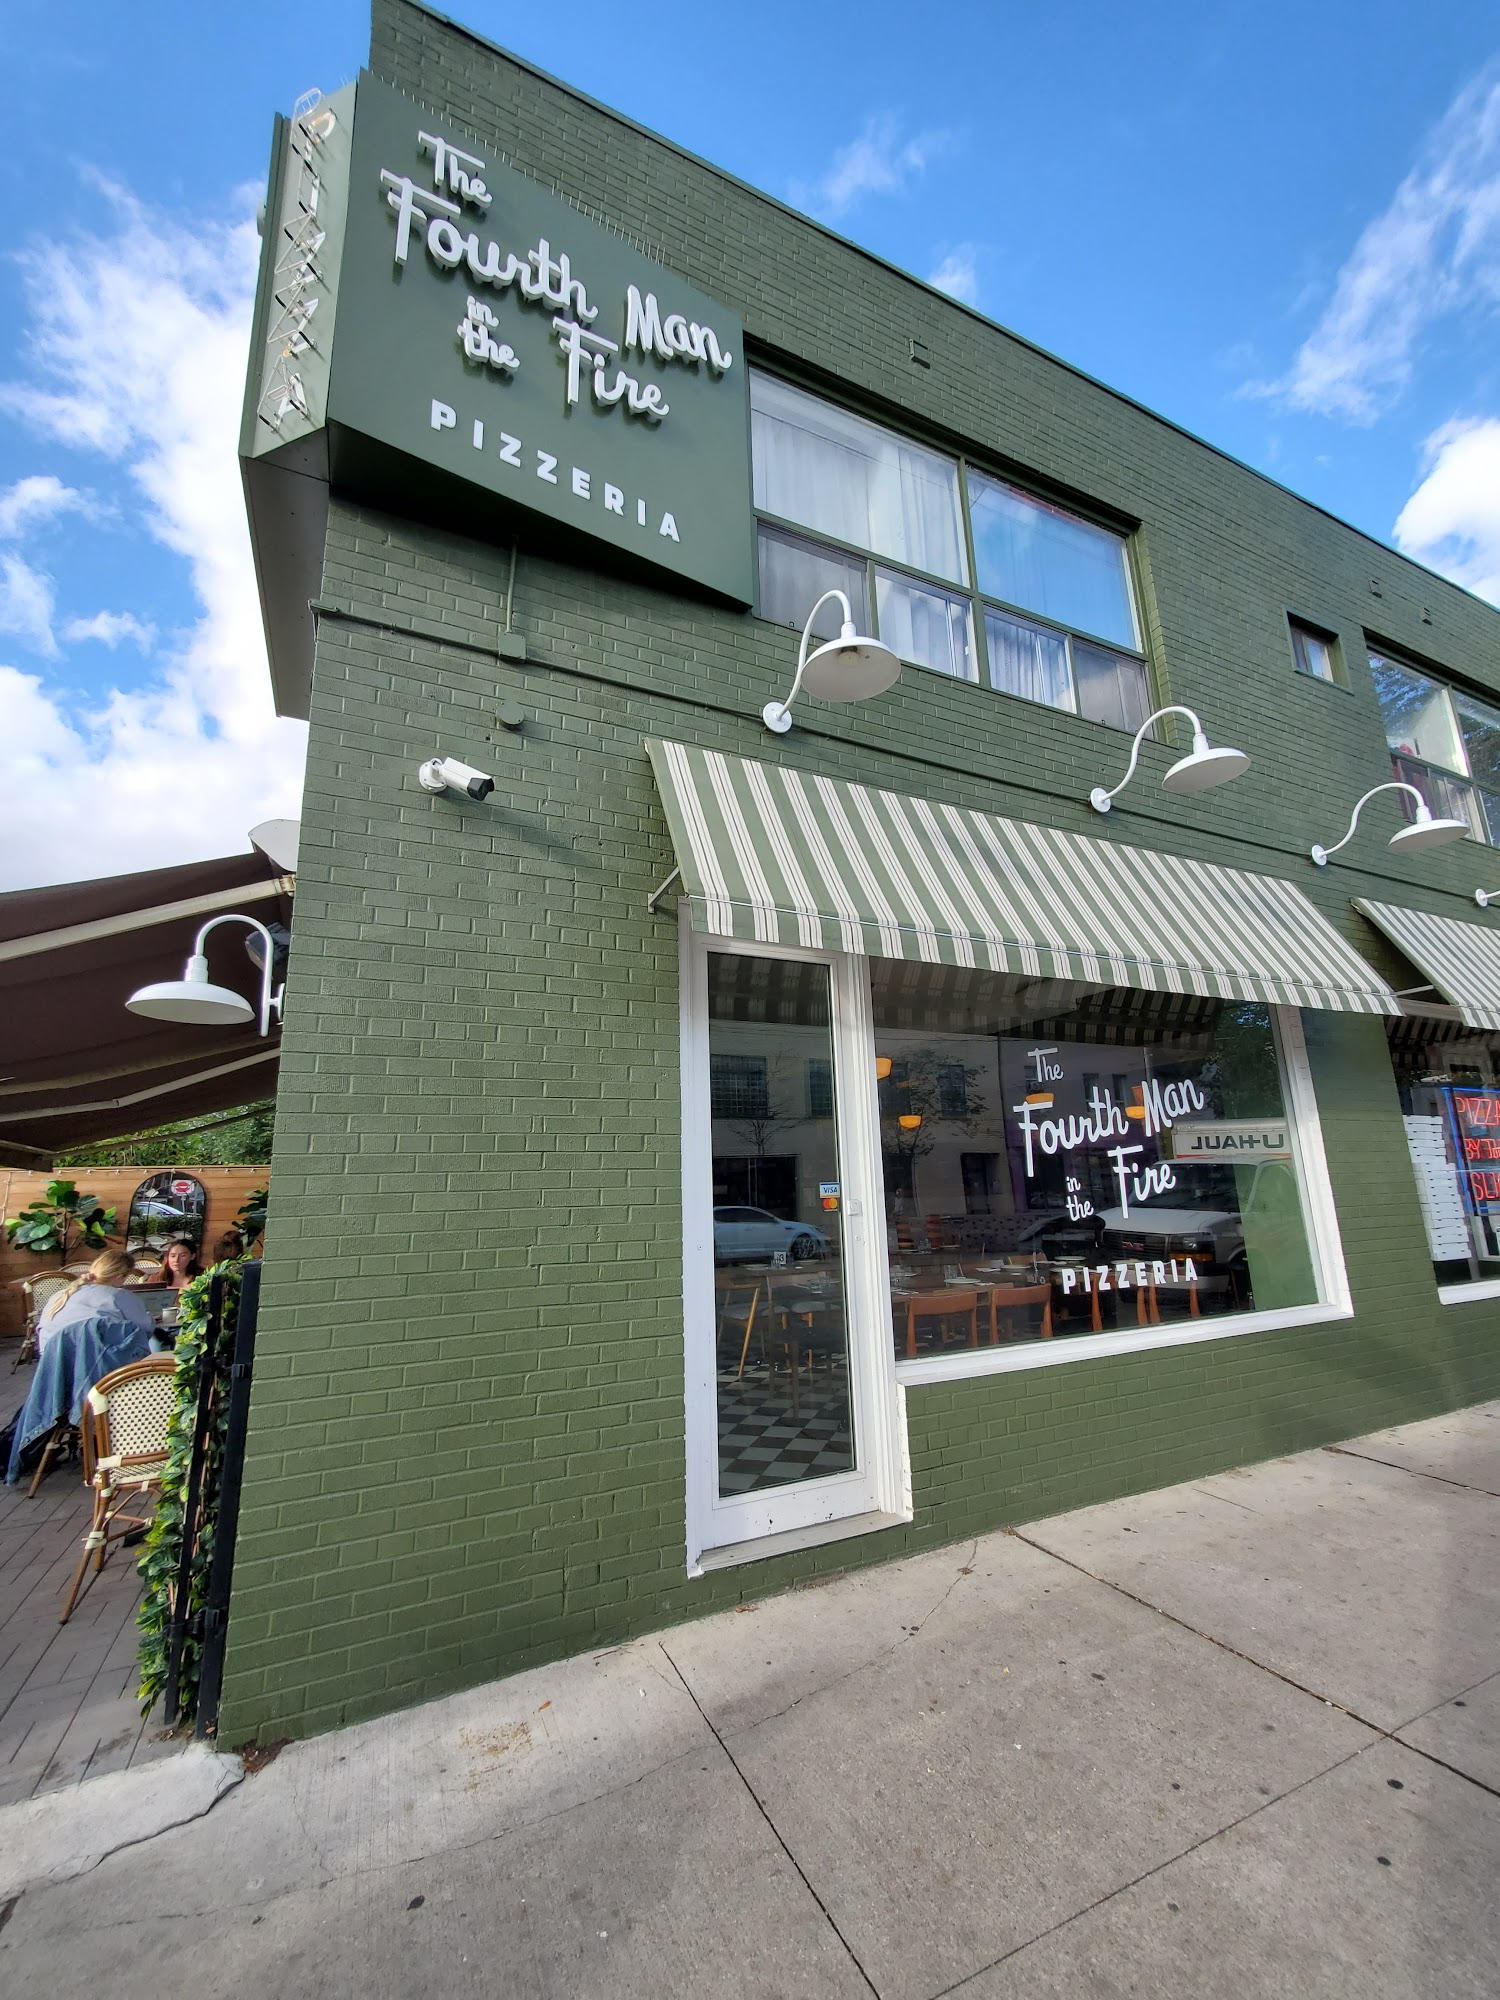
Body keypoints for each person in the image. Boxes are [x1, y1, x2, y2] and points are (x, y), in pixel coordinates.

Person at [37, 1248, 154, 1353]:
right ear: (120, 1277)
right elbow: (146, 1327)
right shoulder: (119, 1295)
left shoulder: (58, 1296)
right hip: (97, 1364)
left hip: (51, 1362)